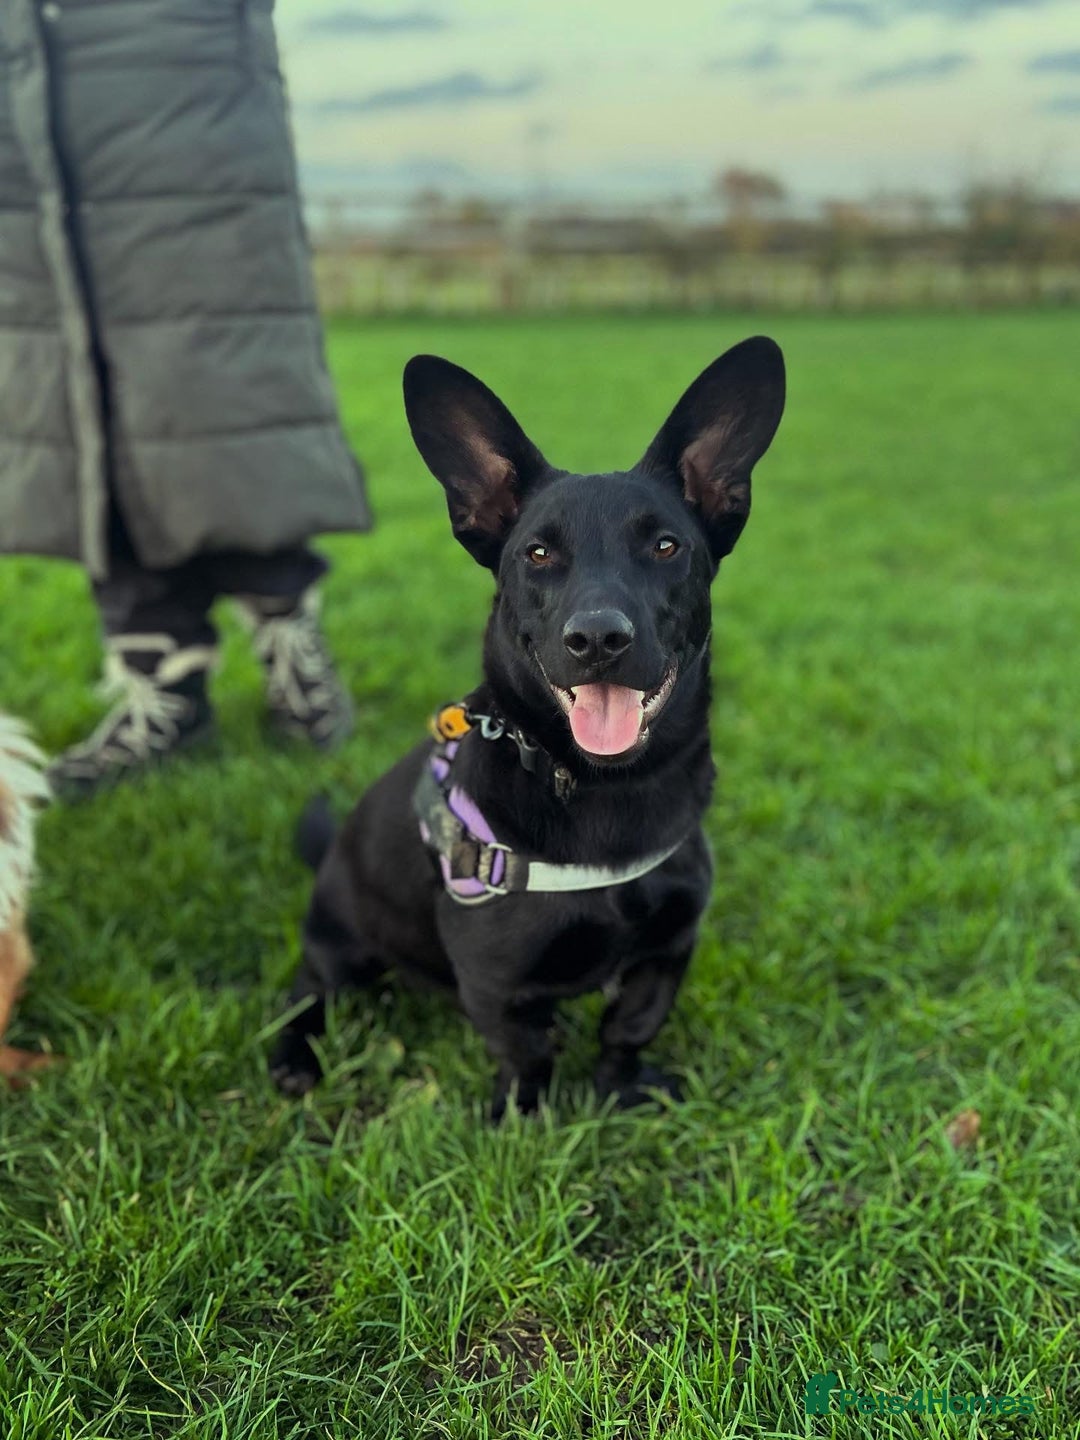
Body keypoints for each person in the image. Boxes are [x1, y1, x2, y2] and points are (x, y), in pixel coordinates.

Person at [0, 0, 371, 800]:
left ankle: (283, 626)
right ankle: (162, 679)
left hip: (182, 75)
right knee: (83, 399)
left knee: (223, 385)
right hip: (25, 76)